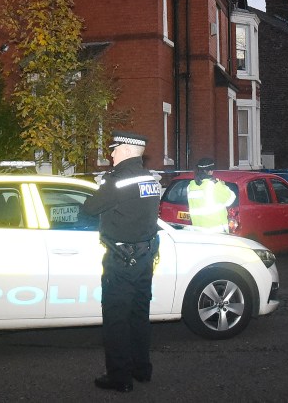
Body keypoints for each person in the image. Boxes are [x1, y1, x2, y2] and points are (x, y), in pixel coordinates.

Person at [82, 130, 162, 393]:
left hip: (122, 261)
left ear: (126, 151)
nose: (111, 153)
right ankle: (142, 369)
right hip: (144, 258)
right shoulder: (149, 179)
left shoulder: (116, 182)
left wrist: (101, 186)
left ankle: (119, 378)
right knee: (139, 316)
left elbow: (89, 208)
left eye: (114, 149)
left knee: (117, 319)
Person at [186, 158, 237, 234]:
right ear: (210, 171)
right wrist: (222, 185)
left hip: (198, 231)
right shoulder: (213, 184)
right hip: (216, 232)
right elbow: (231, 198)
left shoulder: (190, 186)